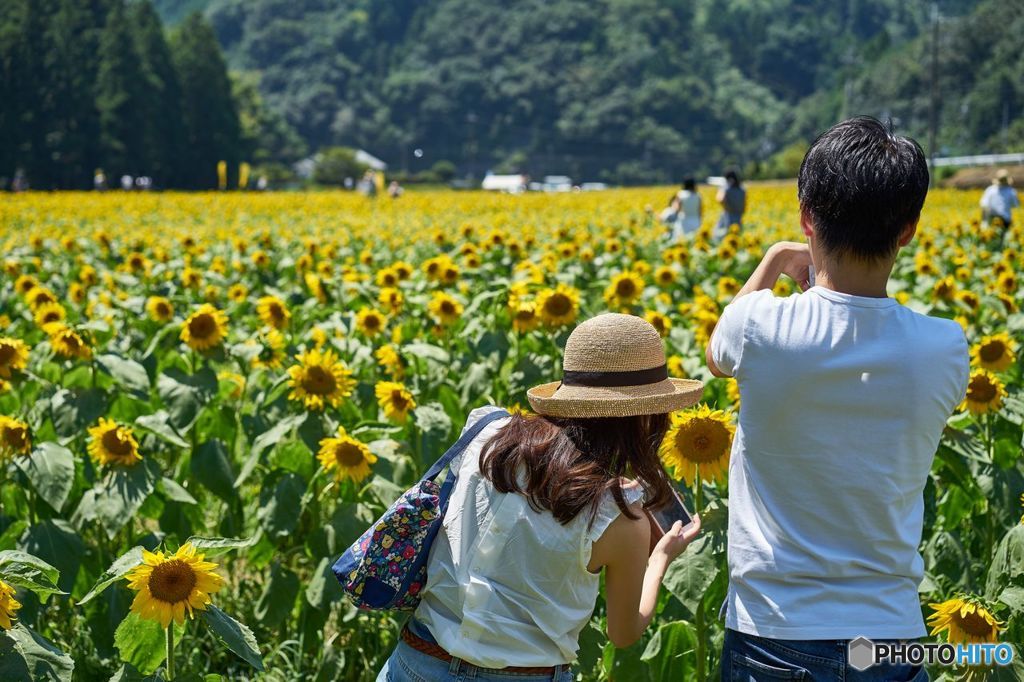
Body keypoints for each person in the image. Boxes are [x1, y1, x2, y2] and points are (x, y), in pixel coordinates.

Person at [707, 116, 968, 680]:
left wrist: (777, 259)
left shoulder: (759, 328)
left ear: (807, 217)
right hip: (894, 639)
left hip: (776, 632)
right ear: (908, 230)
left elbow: (715, 354)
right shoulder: (945, 347)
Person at [378, 313, 704, 682]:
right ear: (649, 416)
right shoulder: (619, 517)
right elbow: (623, 633)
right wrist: (661, 558)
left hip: (416, 661)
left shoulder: (488, 435)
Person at [980, 168, 1019, 240]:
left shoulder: (990, 190)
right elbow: (1015, 205)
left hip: (992, 219)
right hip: (1005, 220)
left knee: (992, 239)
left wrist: (984, 220)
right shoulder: (1011, 191)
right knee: (1003, 239)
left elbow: (984, 205)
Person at [713, 170, 745, 239]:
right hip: (739, 216)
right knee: (737, 236)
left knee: (725, 236)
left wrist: (726, 207)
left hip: (729, 217)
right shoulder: (742, 189)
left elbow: (720, 199)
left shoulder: (727, 189)